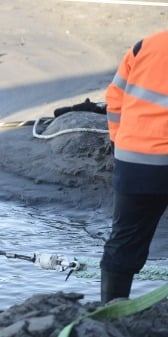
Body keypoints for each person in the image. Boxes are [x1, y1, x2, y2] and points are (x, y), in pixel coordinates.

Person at [101, 30, 168, 304]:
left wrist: (120, 141)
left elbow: (114, 98)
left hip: (135, 160)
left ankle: (110, 312)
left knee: (124, 240)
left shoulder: (145, 45)